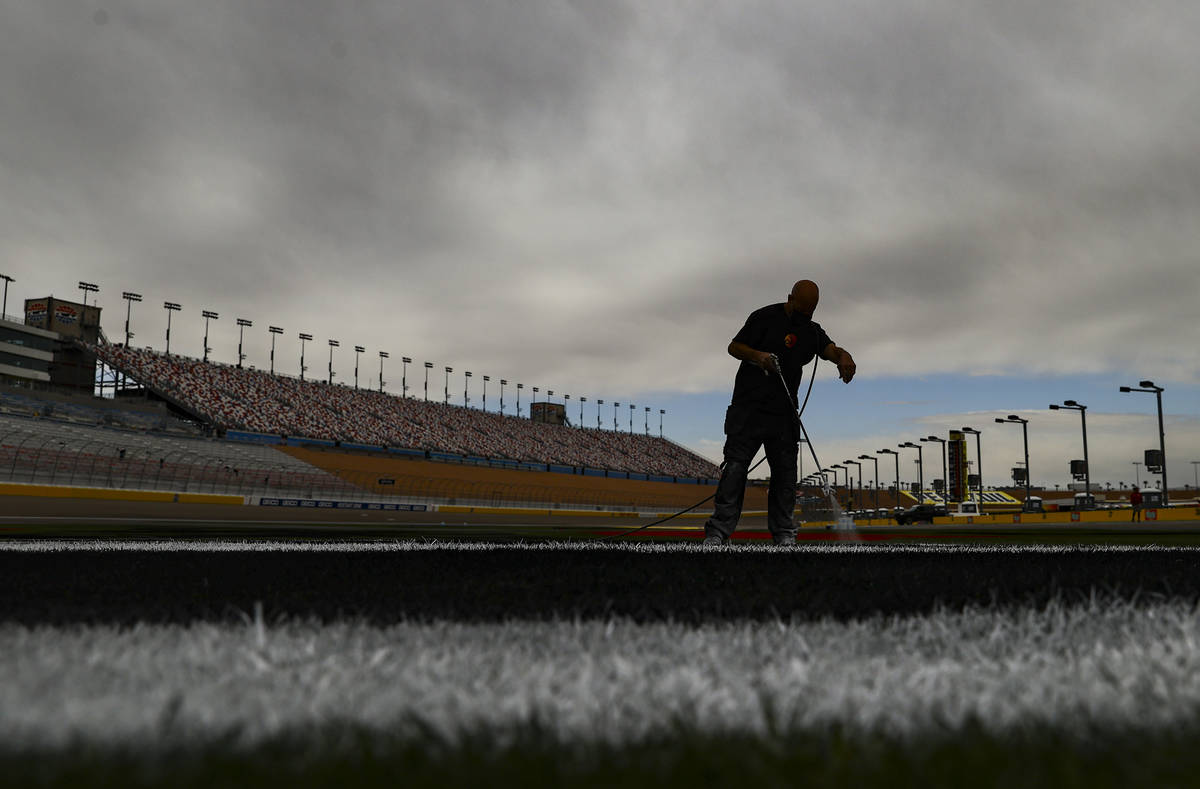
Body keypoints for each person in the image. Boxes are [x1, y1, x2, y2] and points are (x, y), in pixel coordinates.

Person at [703, 280, 856, 546]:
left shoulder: (811, 330)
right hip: (748, 409)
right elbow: (734, 347)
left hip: (784, 414)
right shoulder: (763, 317)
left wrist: (844, 357)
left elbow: (831, 350)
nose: (804, 317)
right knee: (736, 469)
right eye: (801, 310)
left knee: (786, 475)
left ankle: (784, 533)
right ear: (790, 298)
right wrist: (758, 356)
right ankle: (718, 533)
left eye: (810, 312)